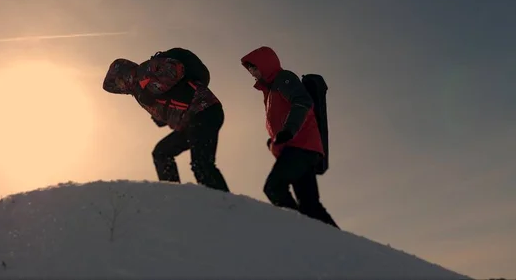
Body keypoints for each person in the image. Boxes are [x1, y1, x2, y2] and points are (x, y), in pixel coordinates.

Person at [103, 48, 230, 193]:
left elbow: (175, 69)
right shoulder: (139, 91)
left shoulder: (144, 70)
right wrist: (161, 118)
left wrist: (152, 90)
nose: (119, 86)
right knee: (162, 153)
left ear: (124, 74)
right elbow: (167, 106)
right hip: (189, 122)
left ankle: (226, 206)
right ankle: (174, 194)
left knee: (201, 164)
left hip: (204, 111)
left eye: (118, 81)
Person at [241, 46, 339, 228]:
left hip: (301, 147)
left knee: (274, 187)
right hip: (301, 148)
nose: (252, 72)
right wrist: (273, 142)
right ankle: (342, 244)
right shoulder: (269, 92)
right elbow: (279, 122)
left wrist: (289, 131)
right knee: (310, 205)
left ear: (265, 64)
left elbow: (302, 101)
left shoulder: (283, 79)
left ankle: (299, 229)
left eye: (253, 67)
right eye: (250, 69)